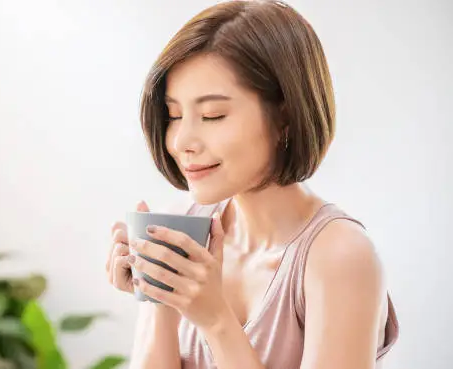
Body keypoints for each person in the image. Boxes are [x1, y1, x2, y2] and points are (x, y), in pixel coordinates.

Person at [105, 1, 399, 368]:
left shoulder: (341, 258)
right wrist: (159, 292)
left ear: (285, 118)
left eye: (213, 115)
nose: (182, 141)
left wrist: (216, 320)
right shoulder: (182, 223)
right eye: (175, 115)